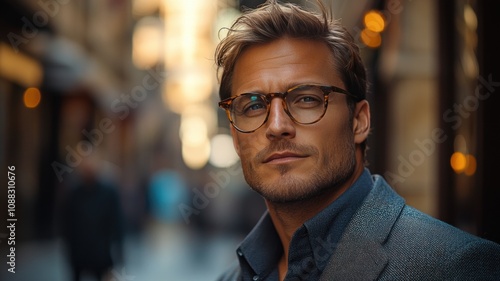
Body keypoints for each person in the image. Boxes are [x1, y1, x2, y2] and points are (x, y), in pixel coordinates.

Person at [214, 1, 500, 280]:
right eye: (253, 106)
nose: (277, 126)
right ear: (236, 138)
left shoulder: (456, 267)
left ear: (359, 121)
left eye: (307, 99)